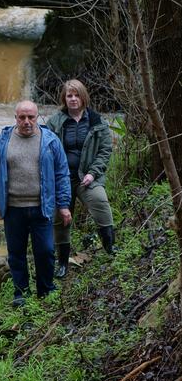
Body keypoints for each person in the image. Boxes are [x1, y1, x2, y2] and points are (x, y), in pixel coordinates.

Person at [0, 100, 72, 306]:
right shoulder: (2, 142)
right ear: (16, 118)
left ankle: (45, 289)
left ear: (37, 117)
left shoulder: (50, 141)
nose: (26, 121)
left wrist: (64, 204)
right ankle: (21, 293)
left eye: (30, 117)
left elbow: (62, 174)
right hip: (13, 208)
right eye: (22, 117)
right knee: (16, 253)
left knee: (45, 251)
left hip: (42, 207)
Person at [47, 79, 115, 279]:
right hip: (62, 179)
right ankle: (62, 263)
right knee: (61, 219)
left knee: (101, 201)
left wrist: (92, 173)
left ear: (83, 97)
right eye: (69, 95)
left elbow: (105, 150)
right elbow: (46, 150)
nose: (73, 99)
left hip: (87, 177)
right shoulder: (55, 122)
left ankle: (110, 247)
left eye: (77, 95)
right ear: (64, 99)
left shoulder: (96, 121)